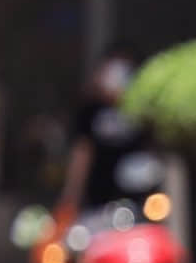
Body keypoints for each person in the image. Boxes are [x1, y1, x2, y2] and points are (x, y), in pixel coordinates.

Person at [52, 46, 145, 229]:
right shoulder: (90, 110)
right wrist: (70, 197)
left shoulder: (143, 112)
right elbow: (82, 153)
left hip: (137, 205)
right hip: (96, 205)